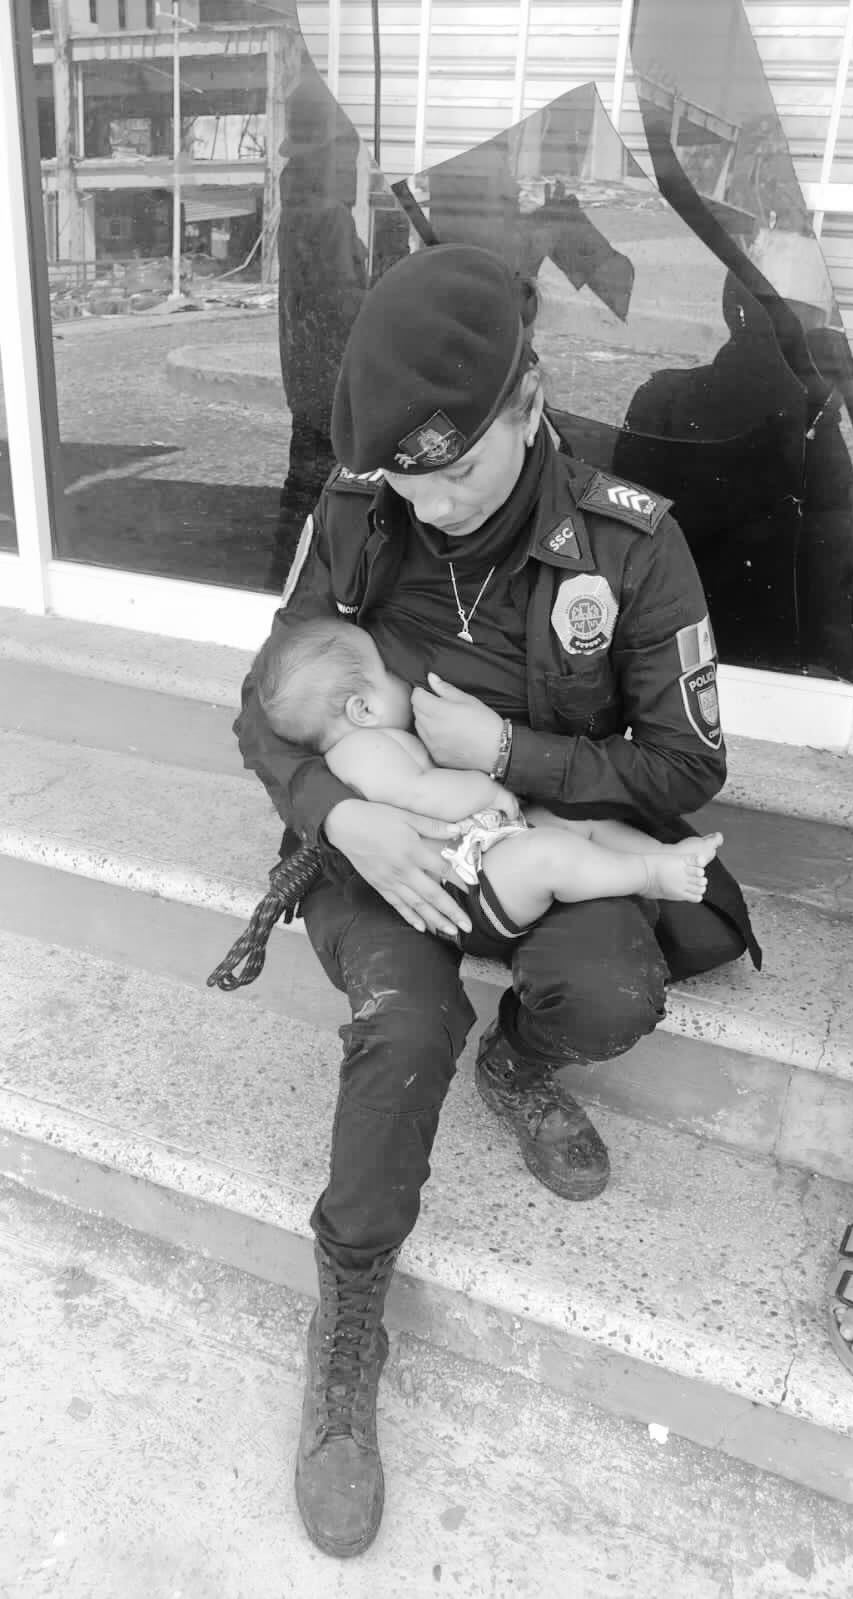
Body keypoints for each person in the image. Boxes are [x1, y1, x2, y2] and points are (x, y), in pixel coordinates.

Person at [235, 242, 761, 1560]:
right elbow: (267, 704)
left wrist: (507, 758)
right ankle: (347, 1318)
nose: (433, 496)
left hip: (547, 833)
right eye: (407, 471)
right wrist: (344, 811)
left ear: (526, 404)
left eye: (456, 464)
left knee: (610, 985)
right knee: (402, 1025)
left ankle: (522, 1061)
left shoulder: (627, 540)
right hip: (395, 842)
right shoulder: (363, 512)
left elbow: (685, 765)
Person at [253, 615, 724, 942]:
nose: (403, 678)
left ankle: (667, 854)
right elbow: (425, 796)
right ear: (363, 708)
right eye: (387, 672)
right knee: (550, 854)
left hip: (485, 850)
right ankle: (649, 875)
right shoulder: (363, 750)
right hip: (470, 889)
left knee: (574, 826)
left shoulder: (377, 742)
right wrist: (490, 788)